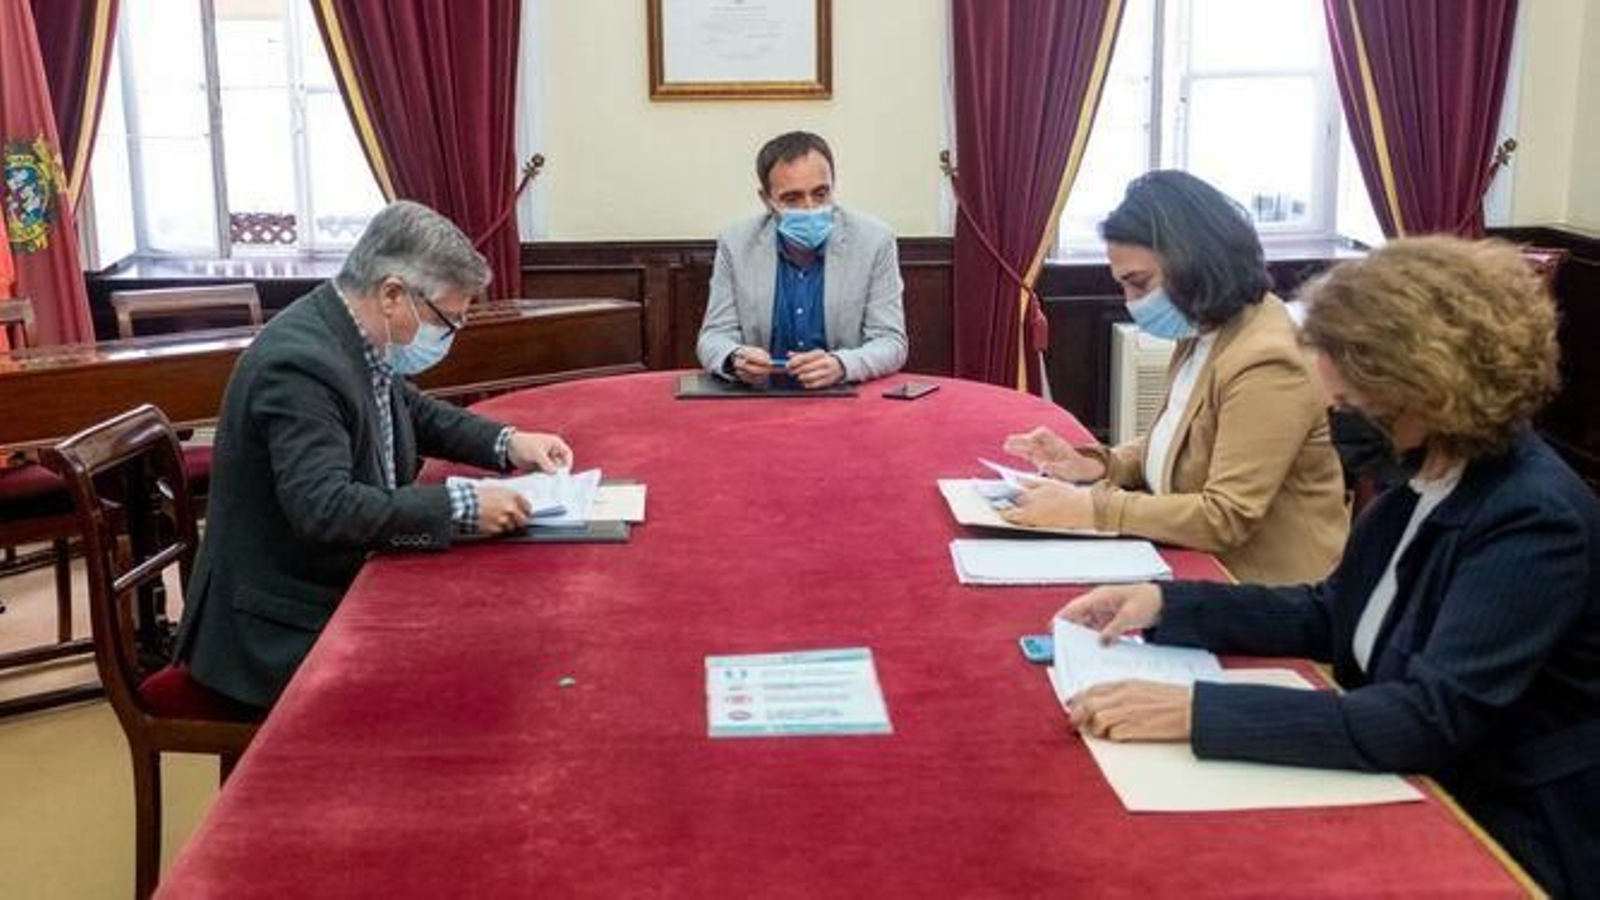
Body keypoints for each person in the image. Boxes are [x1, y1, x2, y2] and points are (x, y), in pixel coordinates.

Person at [1058, 237, 1600, 897]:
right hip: (1418, 775)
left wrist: (1194, 713)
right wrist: (1170, 604)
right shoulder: (1425, 475)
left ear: (1427, 380)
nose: (1337, 402)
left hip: (1509, 825)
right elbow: (1332, 610)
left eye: (1356, 387)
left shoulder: (1535, 518)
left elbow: (1429, 717)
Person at [175, 201, 574, 708]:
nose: (449, 337)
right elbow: (326, 508)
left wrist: (506, 442)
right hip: (275, 624)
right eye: (447, 321)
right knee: (469, 667)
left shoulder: (347, 332)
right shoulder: (300, 363)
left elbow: (410, 409)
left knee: (483, 630)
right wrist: (461, 506)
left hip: (323, 583)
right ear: (392, 294)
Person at [1001, 171, 1347, 584]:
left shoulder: (1267, 359)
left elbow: (1225, 517)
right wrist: (1096, 465)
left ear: (1195, 261)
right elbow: (1180, 442)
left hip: (1260, 592)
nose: (1131, 303)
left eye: (1140, 283)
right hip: (1194, 563)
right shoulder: (1203, 327)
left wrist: (1093, 508)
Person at [696, 130, 907, 389]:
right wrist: (735, 358)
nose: (810, 208)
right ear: (767, 199)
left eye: (820, 194)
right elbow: (714, 337)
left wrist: (841, 365)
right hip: (760, 401)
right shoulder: (736, 243)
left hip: (844, 399)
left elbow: (891, 341)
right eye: (792, 198)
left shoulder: (875, 241)